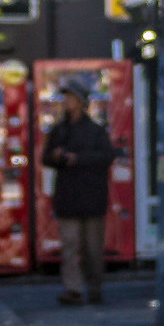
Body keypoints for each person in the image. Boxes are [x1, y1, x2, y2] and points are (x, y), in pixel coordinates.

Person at [41, 82, 119, 305]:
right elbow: (45, 158)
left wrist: (79, 159)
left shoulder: (96, 130)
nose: (66, 102)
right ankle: (73, 289)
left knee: (93, 249)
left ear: (82, 103)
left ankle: (95, 287)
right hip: (67, 197)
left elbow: (107, 156)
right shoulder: (59, 130)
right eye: (65, 98)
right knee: (70, 246)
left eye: (70, 98)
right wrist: (55, 157)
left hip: (92, 196)